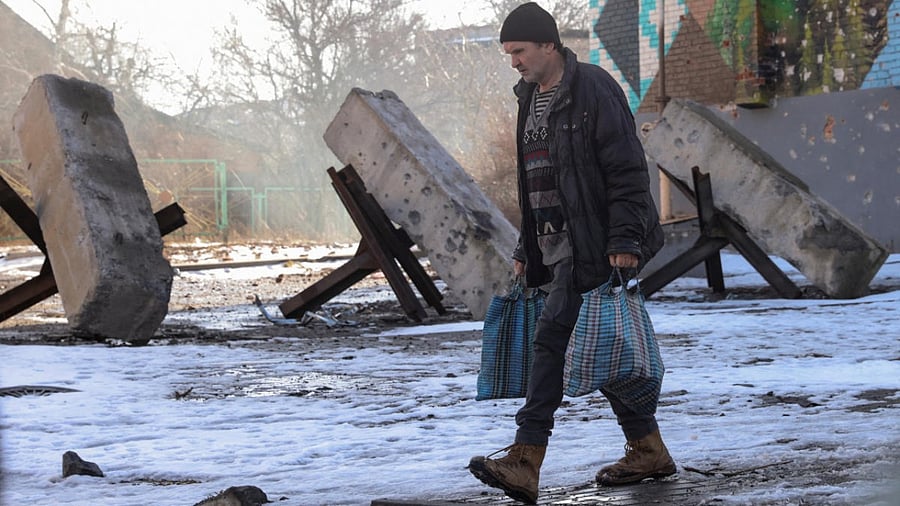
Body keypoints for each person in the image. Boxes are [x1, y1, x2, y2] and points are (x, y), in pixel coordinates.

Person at [466, 2, 674, 504]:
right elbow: (535, 179)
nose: (512, 61)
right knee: (597, 346)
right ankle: (647, 448)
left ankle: (526, 458)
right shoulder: (527, 98)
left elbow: (626, 170)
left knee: (551, 343)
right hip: (555, 244)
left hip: (595, 243)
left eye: (519, 50)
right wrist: (526, 244)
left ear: (548, 45)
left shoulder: (593, 88)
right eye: (508, 53)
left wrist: (623, 241)